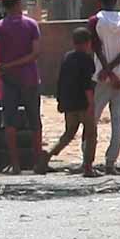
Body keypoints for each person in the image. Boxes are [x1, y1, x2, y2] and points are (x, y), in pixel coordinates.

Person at [0, 0, 45, 174]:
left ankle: (15, 164)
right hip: (29, 78)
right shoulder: (31, 25)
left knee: (9, 122)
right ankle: (38, 163)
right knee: (35, 120)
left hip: (8, 80)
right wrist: (14, 64)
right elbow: (35, 53)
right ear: (18, 3)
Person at [88, 0, 120, 174]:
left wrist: (107, 70)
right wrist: (114, 70)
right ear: (115, 0)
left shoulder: (95, 21)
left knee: (93, 118)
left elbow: (95, 47)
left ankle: (88, 159)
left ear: (100, 0)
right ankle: (111, 162)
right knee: (117, 119)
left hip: (101, 75)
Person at [46, 28, 99, 177]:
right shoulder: (87, 60)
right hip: (83, 103)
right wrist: (91, 104)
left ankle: (48, 155)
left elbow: (61, 81)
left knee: (69, 133)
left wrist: (61, 101)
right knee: (91, 135)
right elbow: (87, 84)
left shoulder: (67, 57)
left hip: (69, 103)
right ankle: (88, 167)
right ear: (88, 43)